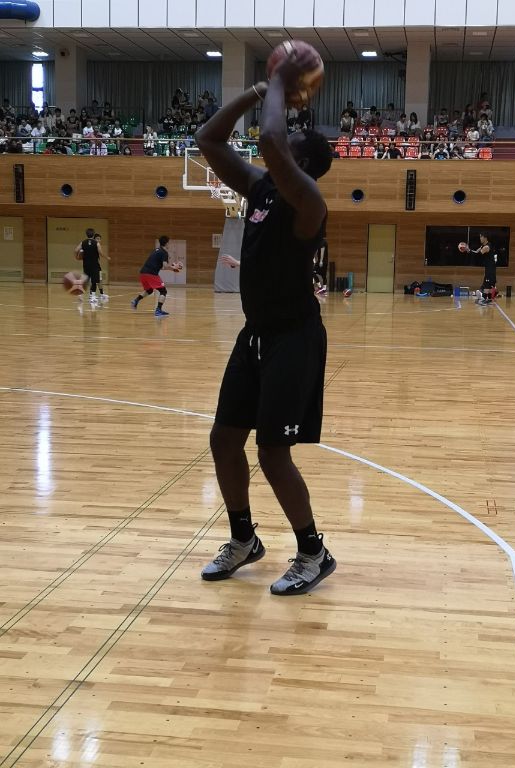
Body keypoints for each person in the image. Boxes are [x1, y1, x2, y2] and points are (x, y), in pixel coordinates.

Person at [196, 51, 336, 596]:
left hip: (294, 337)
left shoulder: (308, 200)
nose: (280, 142)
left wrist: (279, 80)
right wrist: (257, 90)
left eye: (290, 143)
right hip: (254, 334)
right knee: (224, 440)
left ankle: (313, 551)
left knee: (273, 453)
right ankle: (243, 539)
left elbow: (271, 140)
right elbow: (210, 139)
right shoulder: (260, 188)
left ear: (302, 160)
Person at [131, 236, 179, 316]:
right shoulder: (164, 252)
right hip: (151, 274)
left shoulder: (156, 250)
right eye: (169, 242)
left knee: (149, 290)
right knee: (163, 291)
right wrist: (174, 268)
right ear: (166, 243)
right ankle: (158, 310)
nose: (169, 244)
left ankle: (136, 300)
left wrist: (172, 268)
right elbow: (165, 266)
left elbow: (161, 267)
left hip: (143, 273)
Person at [75, 228, 104, 305]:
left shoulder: (83, 243)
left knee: (85, 280)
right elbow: (100, 253)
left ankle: (80, 294)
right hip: (94, 265)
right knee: (94, 281)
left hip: (86, 265)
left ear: (86, 234)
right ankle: (93, 297)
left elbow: (76, 250)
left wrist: (76, 257)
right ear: (93, 234)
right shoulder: (96, 243)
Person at [468, 233, 497, 305]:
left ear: (485, 238)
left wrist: (468, 250)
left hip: (491, 268)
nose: (480, 238)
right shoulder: (482, 246)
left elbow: (477, 255)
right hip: (488, 268)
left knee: (487, 284)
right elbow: (476, 252)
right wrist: (469, 250)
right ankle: (487, 298)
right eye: (480, 237)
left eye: (481, 237)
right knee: (488, 284)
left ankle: (484, 298)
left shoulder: (487, 247)